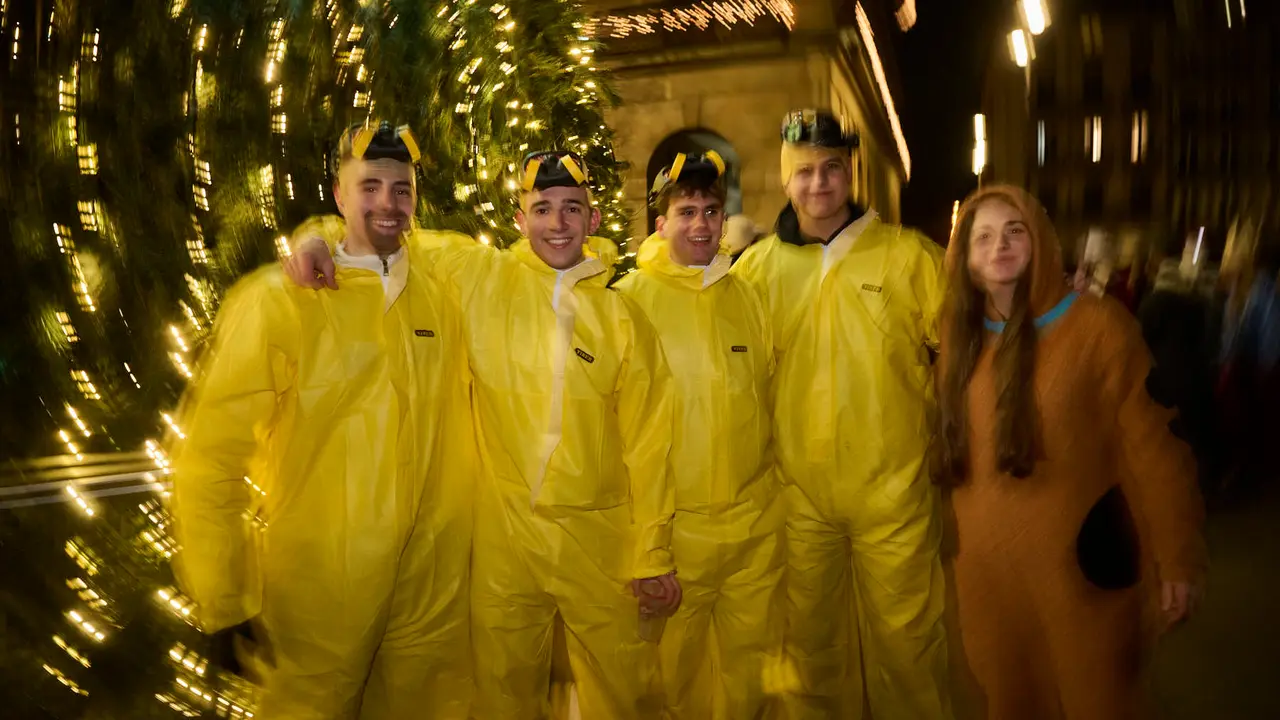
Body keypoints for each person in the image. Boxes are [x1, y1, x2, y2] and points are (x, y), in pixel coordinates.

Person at [285, 150, 679, 719]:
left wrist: (653, 552)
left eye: (572, 209)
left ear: (593, 221)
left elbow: (649, 441)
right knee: (500, 694)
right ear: (520, 220)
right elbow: (386, 226)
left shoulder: (624, 320)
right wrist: (317, 236)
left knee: (625, 692)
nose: (558, 223)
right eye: (542, 208)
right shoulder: (479, 276)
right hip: (505, 540)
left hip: (599, 541)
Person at [168, 121, 475, 719]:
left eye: (403, 189)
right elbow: (213, 451)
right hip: (319, 594)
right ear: (338, 194)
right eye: (370, 187)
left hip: (427, 596)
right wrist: (223, 594)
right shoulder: (279, 301)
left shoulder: (443, 291)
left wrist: (316, 233)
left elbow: (541, 256)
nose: (388, 203)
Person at [934, 185, 1207, 719]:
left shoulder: (1097, 327)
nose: (1000, 246)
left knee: (1099, 701)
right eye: (983, 236)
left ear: (1040, 239)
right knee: (1011, 700)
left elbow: (1155, 449)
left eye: (1015, 230)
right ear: (963, 257)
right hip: (989, 582)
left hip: (1081, 577)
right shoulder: (956, 338)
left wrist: (1177, 555)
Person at [731, 109, 951, 719]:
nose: (819, 183)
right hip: (800, 499)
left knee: (910, 649)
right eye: (804, 172)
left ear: (850, 172)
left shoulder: (911, 258)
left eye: (832, 168)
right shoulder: (757, 271)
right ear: (785, 179)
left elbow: (965, 360)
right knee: (811, 652)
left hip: (895, 495)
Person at [613, 152, 785, 718]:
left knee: (752, 684)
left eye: (711, 211)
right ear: (660, 225)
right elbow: (619, 434)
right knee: (672, 687)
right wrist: (647, 550)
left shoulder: (746, 296)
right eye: (686, 212)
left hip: (752, 534)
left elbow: (770, 403)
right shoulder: (629, 302)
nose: (701, 225)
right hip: (677, 538)